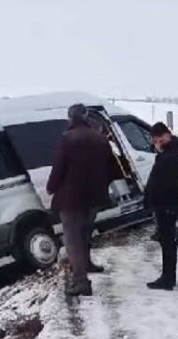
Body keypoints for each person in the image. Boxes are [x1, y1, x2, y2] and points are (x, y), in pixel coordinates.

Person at [47, 104, 116, 296]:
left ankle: (80, 281)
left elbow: (58, 168)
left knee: (73, 239)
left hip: (70, 198)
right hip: (94, 197)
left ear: (70, 118)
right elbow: (112, 168)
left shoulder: (66, 139)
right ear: (86, 117)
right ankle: (87, 264)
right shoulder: (101, 139)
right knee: (85, 232)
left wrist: (51, 188)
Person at [144, 122, 178, 291]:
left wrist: (164, 203)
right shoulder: (168, 152)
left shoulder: (173, 155)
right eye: (155, 140)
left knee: (168, 242)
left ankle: (168, 279)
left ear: (168, 134)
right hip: (162, 204)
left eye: (160, 138)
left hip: (167, 205)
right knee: (166, 242)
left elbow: (168, 183)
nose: (158, 142)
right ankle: (168, 276)